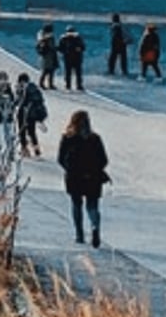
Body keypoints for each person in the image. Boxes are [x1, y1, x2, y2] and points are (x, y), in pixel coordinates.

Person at [57, 109, 110, 247]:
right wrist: (95, 170)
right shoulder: (95, 138)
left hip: (74, 177)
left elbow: (60, 159)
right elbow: (104, 159)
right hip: (93, 177)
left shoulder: (67, 138)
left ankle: (79, 234)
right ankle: (94, 226)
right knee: (92, 206)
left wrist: (70, 169)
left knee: (76, 205)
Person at [14, 72, 47, 157]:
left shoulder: (25, 89)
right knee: (32, 132)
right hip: (32, 114)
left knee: (22, 132)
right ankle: (36, 150)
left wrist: (14, 104)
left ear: (21, 81)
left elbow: (21, 101)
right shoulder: (35, 88)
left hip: (24, 113)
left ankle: (24, 150)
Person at [58, 25, 86, 91]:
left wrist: (79, 49)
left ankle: (77, 85)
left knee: (76, 72)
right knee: (69, 72)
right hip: (69, 58)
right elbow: (60, 48)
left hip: (75, 58)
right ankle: (69, 85)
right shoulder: (64, 38)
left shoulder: (78, 38)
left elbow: (83, 47)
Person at [35, 23, 59, 89]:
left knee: (46, 71)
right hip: (49, 56)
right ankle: (47, 84)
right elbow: (52, 47)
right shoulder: (49, 38)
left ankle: (43, 83)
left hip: (45, 57)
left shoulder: (41, 38)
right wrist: (57, 48)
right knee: (48, 71)